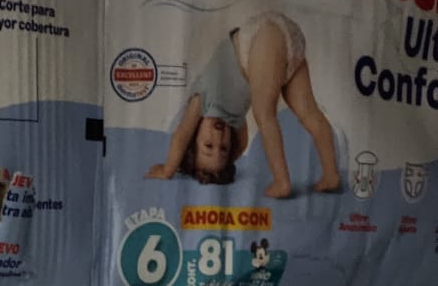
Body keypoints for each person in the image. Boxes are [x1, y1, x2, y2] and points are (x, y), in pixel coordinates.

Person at [145, 12, 340, 198]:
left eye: (208, 145)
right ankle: (331, 175)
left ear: (194, 140)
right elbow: (242, 144)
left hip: (260, 38)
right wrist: (231, 155)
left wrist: (167, 169)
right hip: (287, 46)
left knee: (264, 114)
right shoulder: (235, 121)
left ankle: (282, 181)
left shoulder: (202, 100)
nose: (218, 138)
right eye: (223, 148)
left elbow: (181, 135)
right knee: (308, 113)